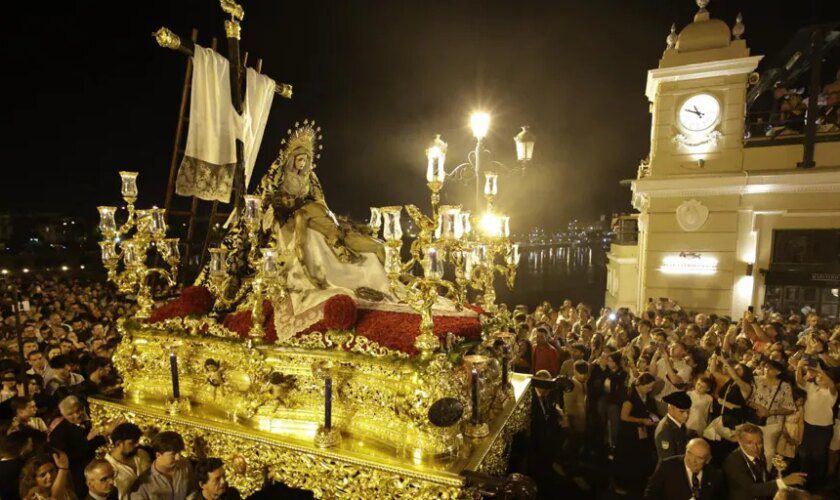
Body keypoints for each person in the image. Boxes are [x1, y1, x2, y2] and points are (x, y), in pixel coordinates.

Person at [722, 424, 806, 500]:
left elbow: (764, 479)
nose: (755, 448)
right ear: (740, 442)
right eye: (749, 443)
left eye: (759, 443)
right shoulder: (733, 462)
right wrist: (783, 482)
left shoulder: (760, 454)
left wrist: (785, 480)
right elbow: (751, 490)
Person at [49, 395, 109, 498]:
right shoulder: (58, 434)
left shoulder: (92, 418)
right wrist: (88, 441)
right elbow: (69, 458)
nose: (77, 415)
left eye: (79, 410)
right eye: (70, 414)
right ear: (63, 415)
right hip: (80, 476)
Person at [613, 372, 659, 495]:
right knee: (626, 459)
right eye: (648, 387)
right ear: (639, 385)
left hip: (641, 433)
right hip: (629, 433)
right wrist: (642, 420)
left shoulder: (647, 396)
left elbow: (649, 410)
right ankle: (620, 484)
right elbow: (624, 416)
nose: (650, 389)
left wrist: (654, 419)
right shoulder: (630, 397)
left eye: (651, 387)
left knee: (638, 458)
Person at [794, 359, 837, 490]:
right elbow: (799, 381)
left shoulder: (831, 393)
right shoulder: (812, 387)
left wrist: (819, 370)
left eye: (821, 376)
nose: (818, 377)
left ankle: (817, 484)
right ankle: (803, 482)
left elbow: (832, 385)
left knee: (818, 456)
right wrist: (799, 367)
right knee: (805, 455)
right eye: (817, 376)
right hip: (808, 426)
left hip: (822, 429)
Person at [748, 359, 794, 467]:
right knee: (750, 446)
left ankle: (766, 474)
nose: (767, 369)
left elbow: (790, 408)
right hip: (753, 419)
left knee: (769, 452)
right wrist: (757, 407)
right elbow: (746, 398)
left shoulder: (784, 386)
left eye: (770, 368)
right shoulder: (755, 380)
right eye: (766, 366)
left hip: (773, 424)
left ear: (778, 372)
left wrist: (770, 412)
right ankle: (750, 471)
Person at [644, 437, 723, 499]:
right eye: (690, 454)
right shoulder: (667, 466)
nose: (693, 460)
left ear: (707, 460)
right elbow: (651, 494)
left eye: (699, 458)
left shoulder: (714, 475)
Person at [128, 431, 196, 499]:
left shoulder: (185, 465)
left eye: (179, 452)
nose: (178, 458)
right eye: (173, 454)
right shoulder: (143, 485)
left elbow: (193, 490)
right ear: (158, 455)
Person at [105, 423, 151, 500]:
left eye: (137, 442)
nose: (136, 445)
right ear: (119, 444)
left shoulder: (141, 454)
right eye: (132, 443)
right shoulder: (108, 468)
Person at [654, 390, 693, 462]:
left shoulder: (679, 423)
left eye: (688, 411)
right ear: (670, 409)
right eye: (681, 411)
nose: (686, 415)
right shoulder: (665, 431)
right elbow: (668, 461)